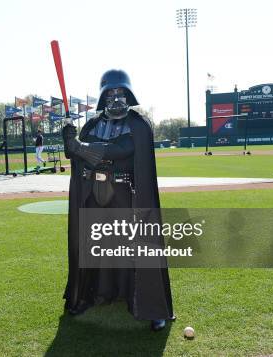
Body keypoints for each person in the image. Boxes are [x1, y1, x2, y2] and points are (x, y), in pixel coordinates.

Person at [61, 69, 174, 331]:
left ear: (129, 94)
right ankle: (90, 295)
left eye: (120, 93)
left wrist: (79, 146)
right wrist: (68, 135)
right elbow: (73, 153)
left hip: (126, 194)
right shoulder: (90, 125)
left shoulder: (138, 125)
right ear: (102, 97)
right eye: (110, 94)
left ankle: (149, 306)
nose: (116, 99)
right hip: (93, 194)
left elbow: (121, 149)